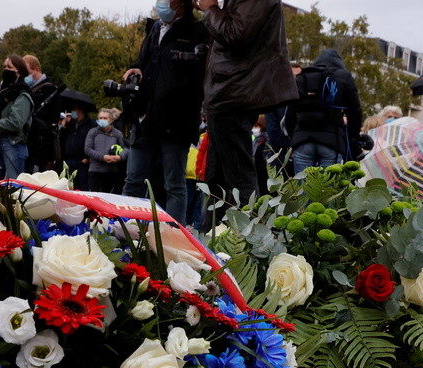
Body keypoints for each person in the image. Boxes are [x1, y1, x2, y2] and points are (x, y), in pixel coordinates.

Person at [194, 0, 298, 220]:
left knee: (237, 177)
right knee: (218, 179)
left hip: (235, 92)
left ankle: (249, 240)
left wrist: (210, 9)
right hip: (229, 91)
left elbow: (236, 33)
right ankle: (216, 240)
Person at [119, 0, 210, 223]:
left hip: (176, 122)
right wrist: (136, 67)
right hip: (145, 118)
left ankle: (171, 235)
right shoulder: (155, 28)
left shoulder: (198, 31)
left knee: (175, 185)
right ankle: (122, 229)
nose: (160, 4)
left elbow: (200, 76)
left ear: (180, 3)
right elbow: (145, 62)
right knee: (133, 180)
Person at [289, 49, 363, 174]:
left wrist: (293, 139)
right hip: (332, 141)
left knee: (301, 188)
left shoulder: (303, 76)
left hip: (302, 140)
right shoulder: (343, 76)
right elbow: (355, 111)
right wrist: (353, 139)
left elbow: (290, 113)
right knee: (327, 189)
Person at [24, 55, 62, 173]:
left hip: (41, 142)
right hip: (28, 140)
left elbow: (54, 117)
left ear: (36, 69)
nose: (26, 76)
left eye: (28, 72)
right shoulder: (26, 89)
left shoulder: (49, 90)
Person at [84, 109, 127, 194]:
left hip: (111, 172)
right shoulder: (93, 132)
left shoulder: (117, 133)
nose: (102, 120)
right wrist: (102, 157)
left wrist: (119, 157)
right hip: (95, 171)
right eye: (100, 118)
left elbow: (126, 148)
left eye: (105, 118)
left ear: (111, 120)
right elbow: (88, 149)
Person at [60, 104, 93, 186]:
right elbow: (61, 139)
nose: (72, 112)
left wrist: (88, 157)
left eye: (74, 109)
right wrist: (63, 127)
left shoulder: (90, 125)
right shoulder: (70, 124)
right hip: (68, 160)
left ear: (81, 110)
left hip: (83, 161)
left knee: (82, 185)